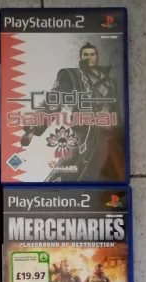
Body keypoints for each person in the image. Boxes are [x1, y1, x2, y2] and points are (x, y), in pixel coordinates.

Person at [21, 42, 123, 182]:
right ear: (81, 57)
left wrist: (117, 130)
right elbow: (55, 98)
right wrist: (35, 124)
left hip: (108, 137)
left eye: (92, 54)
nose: (89, 57)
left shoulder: (110, 82)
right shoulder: (73, 76)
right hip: (83, 135)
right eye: (85, 54)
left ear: (97, 56)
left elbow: (116, 109)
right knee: (62, 176)